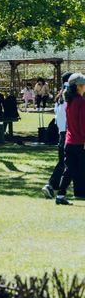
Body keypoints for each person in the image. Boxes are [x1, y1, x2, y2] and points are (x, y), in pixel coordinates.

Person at [55, 73, 85, 205]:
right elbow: (83, 124)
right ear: (79, 86)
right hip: (79, 142)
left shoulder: (69, 101)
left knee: (69, 169)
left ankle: (60, 195)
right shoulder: (81, 102)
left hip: (69, 141)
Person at [42, 72, 72, 199]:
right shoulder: (68, 98)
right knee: (66, 164)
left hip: (62, 133)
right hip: (68, 133)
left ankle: (52, 186)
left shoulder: (60, 98)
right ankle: (52, 185)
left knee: (64, 163)